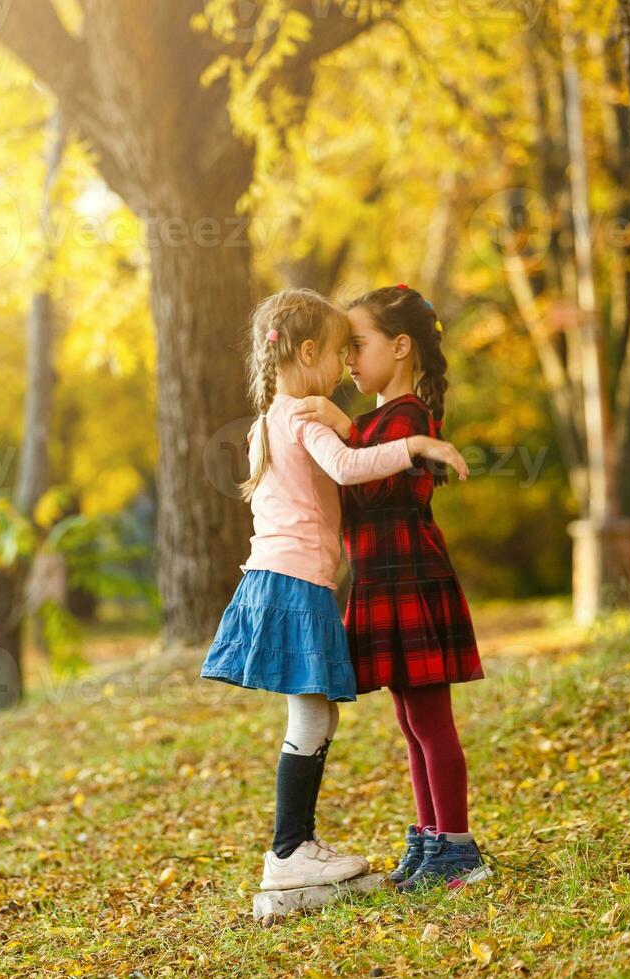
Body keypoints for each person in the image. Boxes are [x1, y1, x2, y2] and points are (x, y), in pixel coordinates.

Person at [199, 288, 469, 893]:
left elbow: (349, 461)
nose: (346, 364)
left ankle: (298, 844)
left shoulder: (273, 417)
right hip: (300, 583)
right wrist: (418, 445)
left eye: (358, 346)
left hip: (285, 577)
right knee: (316, 715)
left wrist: (358, 428)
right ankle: (291, 847)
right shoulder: (302, 414)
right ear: (309, 350)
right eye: (340, 349)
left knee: (320, 714)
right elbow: (350, 468)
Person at [293, 283, 490, 891]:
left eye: (358, 345)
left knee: (431, 721)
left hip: (411, 579)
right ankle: (431, 837)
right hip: (381, 580)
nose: (349, 359)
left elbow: (374, 485)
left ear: (400, 346)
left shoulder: (406, 419)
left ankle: (458, 848)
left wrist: (341, 428)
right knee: (410, 721)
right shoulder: (378, 419)